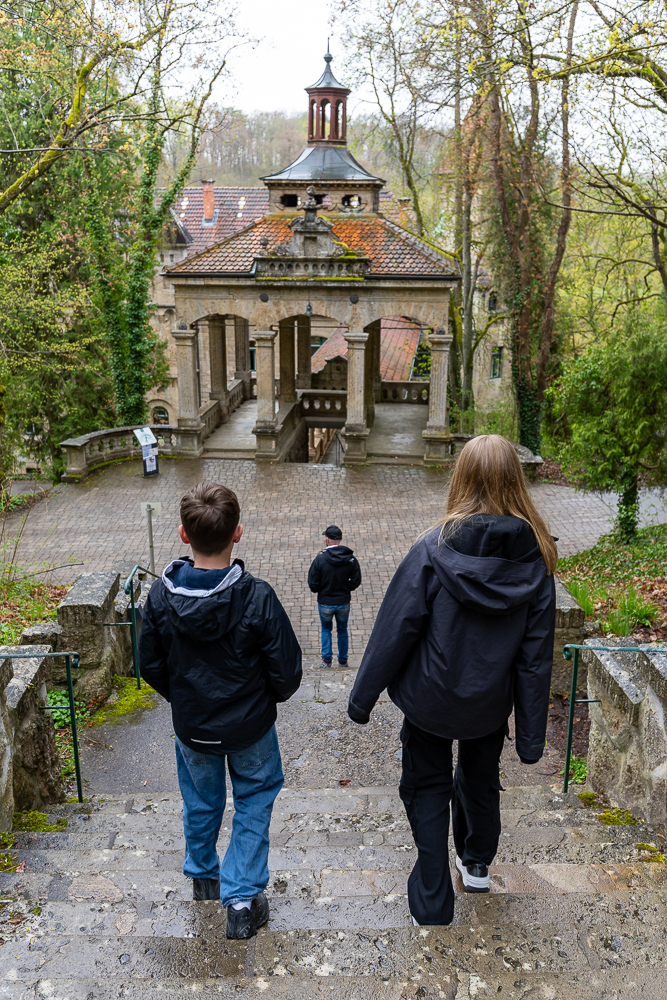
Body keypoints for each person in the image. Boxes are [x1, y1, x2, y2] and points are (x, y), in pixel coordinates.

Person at [347, 435, 557, 926]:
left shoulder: (432, 547)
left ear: (461, 477)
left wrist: (363, 699)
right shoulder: (538, 561)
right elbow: (534, 658)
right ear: (516, 481)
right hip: (488, 703)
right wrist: (530, 739)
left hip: (430, 698)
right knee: (481, 778)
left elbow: (395, 626)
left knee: (426, 784)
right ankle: (477, 862)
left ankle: (433, 894)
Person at [139, 482, 302, 939]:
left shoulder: (158, 597)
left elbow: (148, 664)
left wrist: (185, 699)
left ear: (183, 535)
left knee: (200, 800)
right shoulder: (258, 597)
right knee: (254, 799)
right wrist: (259, 701)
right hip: (250, 729)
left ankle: (204, 878)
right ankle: (243, 899)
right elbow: (287, 673)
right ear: (239, 533)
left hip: (192, 727)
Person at [308, 524, 362, 668]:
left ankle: (326, 660)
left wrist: (322, 589)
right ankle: (343, 660)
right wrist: (347, 588)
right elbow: (356, 580)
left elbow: (313, 584)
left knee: (326, 629)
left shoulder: (320, 560)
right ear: (340, 539)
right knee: (342, 630)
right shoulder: (350, 559)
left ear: (327, 539)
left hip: (325, 602)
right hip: (343, 601)